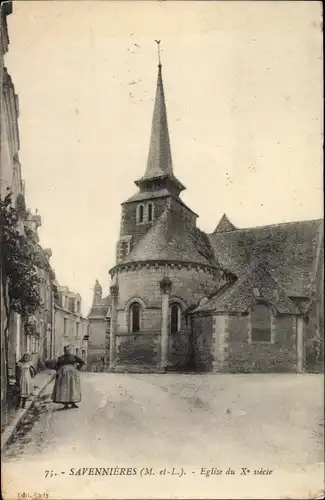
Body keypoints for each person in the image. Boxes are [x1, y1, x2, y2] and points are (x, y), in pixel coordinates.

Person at [52, 345, 85, 410]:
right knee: (64, 388)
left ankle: (73, 403)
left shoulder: (74, 357)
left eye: (69, 350)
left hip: (72, 375)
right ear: (64, 351)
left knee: (72, 388)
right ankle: (66, 404)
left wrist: (77, 368)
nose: (67, 351)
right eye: (66, 350)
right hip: (63, 375)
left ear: (70, 350)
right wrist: (58, 371)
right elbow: (57, 366)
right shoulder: (61, 358)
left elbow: (82, 362)